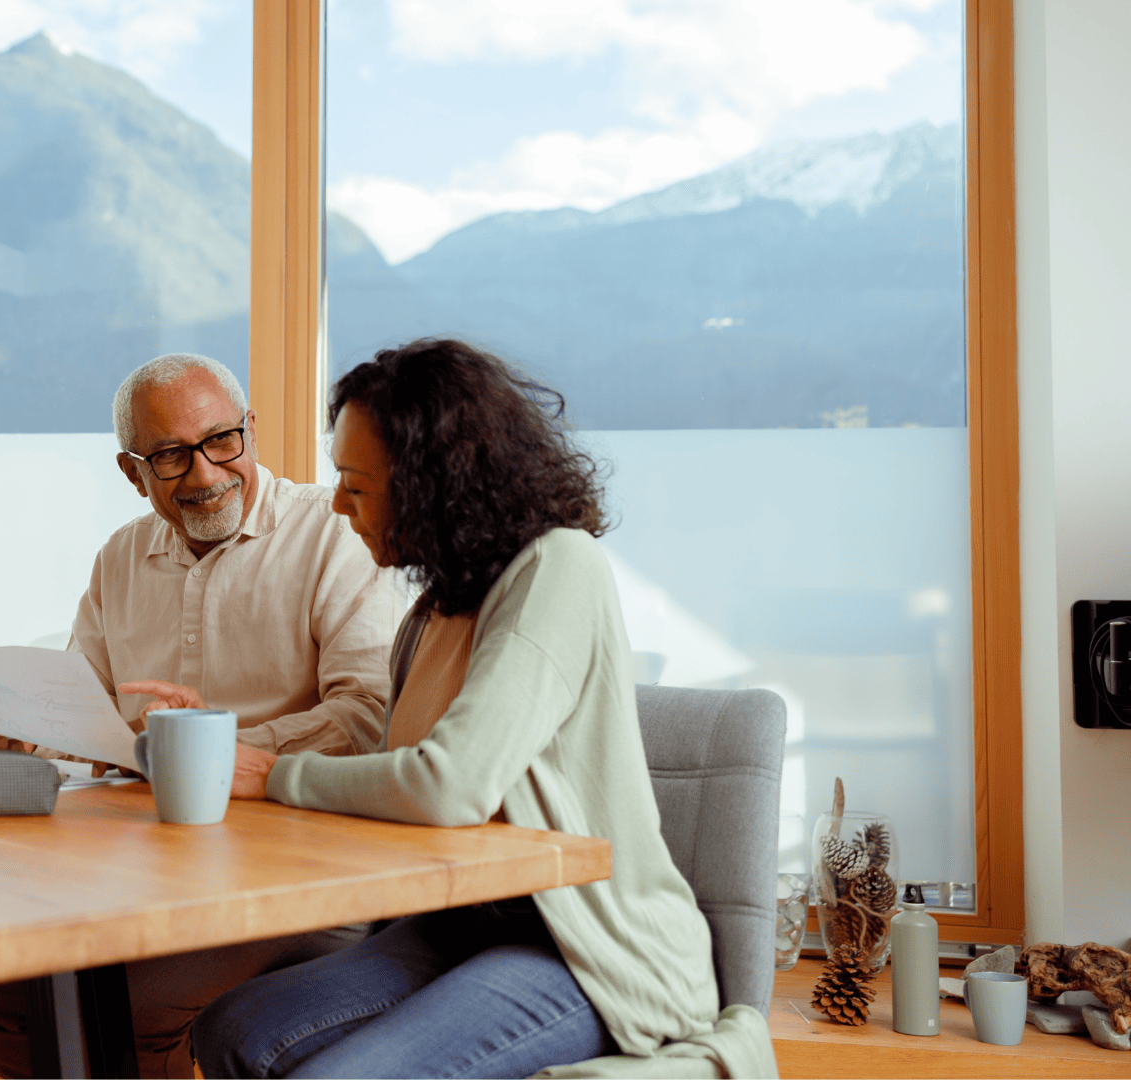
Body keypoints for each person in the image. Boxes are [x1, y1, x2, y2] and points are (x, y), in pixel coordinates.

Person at [191, 339, 776, 1079]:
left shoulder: (557, 567)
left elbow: (447, 783)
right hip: (454, 929)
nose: (337, 506)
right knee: (231, 1031)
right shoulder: (433, 612)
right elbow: (391, 778)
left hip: (580, 950)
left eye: (356, 485)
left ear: (434, 484)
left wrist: (274, 775)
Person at [0, 352, 403, 1079]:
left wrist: (207, 748)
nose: (208, 473)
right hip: (142, 870)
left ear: (250, 429)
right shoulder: (119, 558)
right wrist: (13, 729)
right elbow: (77, 715)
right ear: (132, 472)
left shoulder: (333, 534)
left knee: (125, 1005)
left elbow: (369, 717)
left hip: (298, 878)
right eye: (173, 457)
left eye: (222, 441)